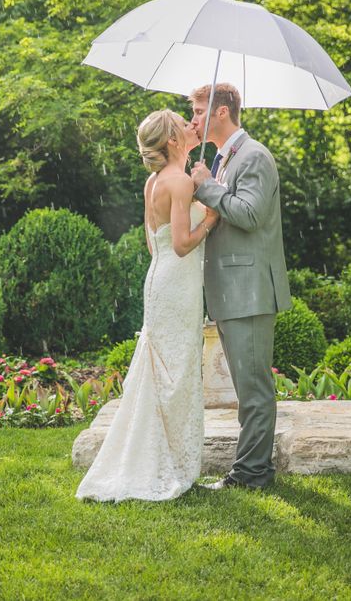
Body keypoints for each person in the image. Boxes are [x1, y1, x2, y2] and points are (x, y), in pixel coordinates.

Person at [76, 109, 219, 502]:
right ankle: (168, 465)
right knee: (177, 371)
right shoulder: (180, 181)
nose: (191, 126)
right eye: (183, 124)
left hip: (159, 279)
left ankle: (156, 459)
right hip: (178, 284)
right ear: (173, 141)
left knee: (164, 372)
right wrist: (211, 218)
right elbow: (182, 243)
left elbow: (151, 240)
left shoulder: (154, 181)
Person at [189, 83, 292, 490]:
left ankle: (252, 475)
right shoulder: (223, 158)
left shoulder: (254, 156)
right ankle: (252, 470)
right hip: (233, 290)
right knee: (247, 389)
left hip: (249, 290)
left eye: (198, 111)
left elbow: (248, 214)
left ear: (221, 112)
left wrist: (205, 186)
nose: (193, 119)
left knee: (254, 391)